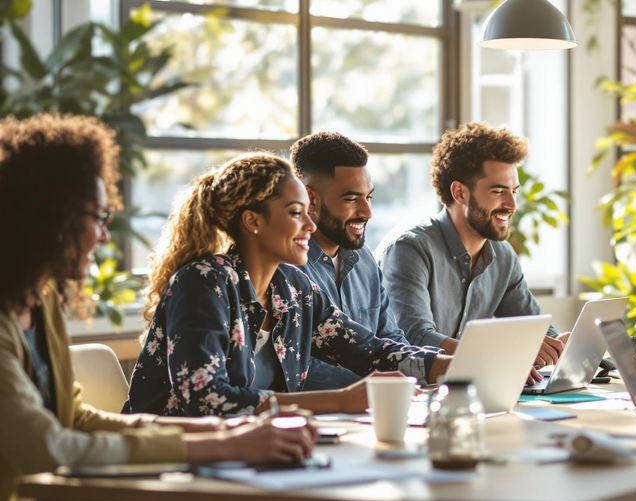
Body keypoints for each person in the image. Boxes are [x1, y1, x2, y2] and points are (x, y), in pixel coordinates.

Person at [0, 114, 316, 501]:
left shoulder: (39, 303)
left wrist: (227, 430)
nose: (103, 235)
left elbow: (76, 418)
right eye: (97, 218)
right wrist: (220, 444)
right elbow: (51, 448)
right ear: (49, 219)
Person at [124, 152, 448, 417]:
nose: (309, 225)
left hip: (253, 453)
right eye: (296, 212)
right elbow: (206, 400)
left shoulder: (292, 288)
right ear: (253, 221)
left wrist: (447, 366)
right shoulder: (205, 282)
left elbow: (368, 350)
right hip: (170, 460)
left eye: (308, 212)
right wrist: (340, 401)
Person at [377, 122, 566, 379]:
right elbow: (416, 338)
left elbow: (533, 330)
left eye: (514, 192)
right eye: (498, 191)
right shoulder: (409, 248)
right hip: (410, 393)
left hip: (468, 389)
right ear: (460, 193)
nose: (511, 204)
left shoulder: (502, 256)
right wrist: (506, 355)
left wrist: (560, 344)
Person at [290, 132, 442, 390]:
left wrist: (428, 374)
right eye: (351, 199)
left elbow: (389, 340)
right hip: (317, 415)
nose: (367, 212)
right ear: (311, 199)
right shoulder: (287, 269)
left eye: (368, 197)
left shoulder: (365, 261)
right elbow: (296, 367)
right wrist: (376, 387)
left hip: (375, 407)